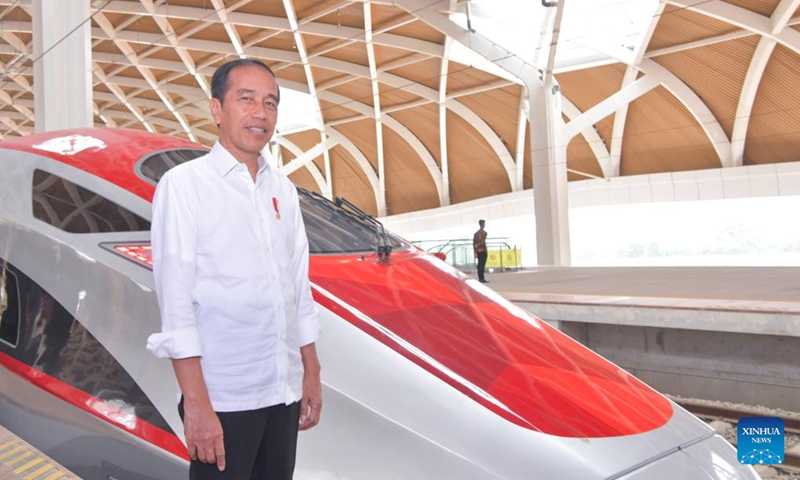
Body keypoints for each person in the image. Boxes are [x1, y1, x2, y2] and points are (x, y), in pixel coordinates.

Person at [146, 58, 321, 480]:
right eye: (246, 99)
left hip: (282, 390)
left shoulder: (284, 191)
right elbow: (176, 303)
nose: (260, 112)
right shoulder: (184, 186)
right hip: (223, 399)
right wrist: (197, 406)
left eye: (270, 103)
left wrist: (310, 374)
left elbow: (298, 288)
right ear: (216, 109)